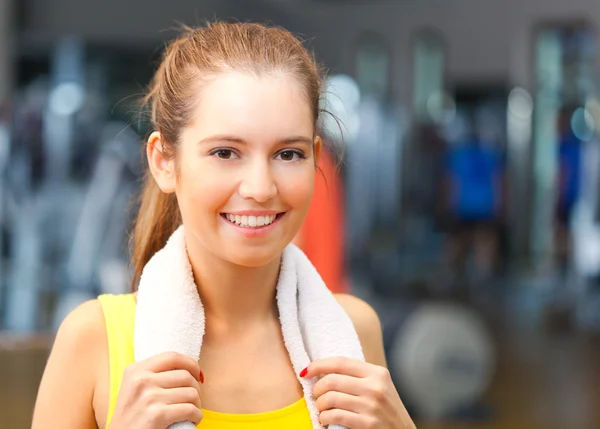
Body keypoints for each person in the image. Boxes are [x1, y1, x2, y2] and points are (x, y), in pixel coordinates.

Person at [32, 22, 415, 429]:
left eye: (288, 154)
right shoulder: (93, 340)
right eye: (225, 152)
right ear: (164, 161)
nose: (260, 188)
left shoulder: (355, 331)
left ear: (315, 157)